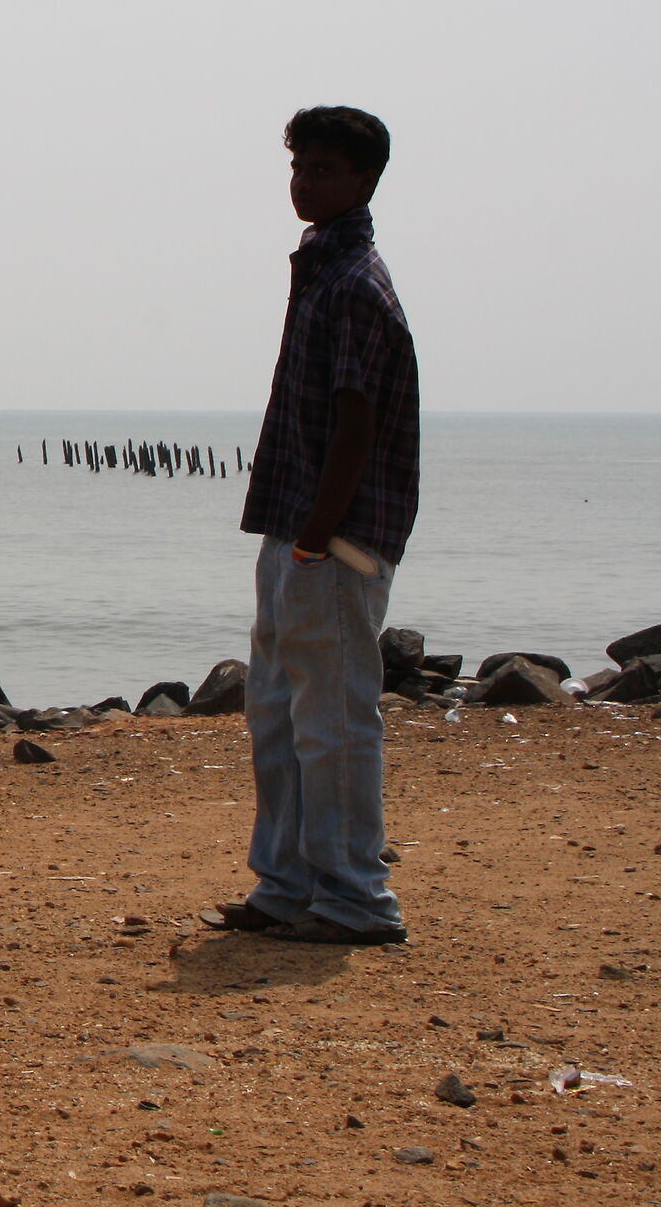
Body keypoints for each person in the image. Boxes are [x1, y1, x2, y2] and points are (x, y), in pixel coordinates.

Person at [205, 106, 419, 946]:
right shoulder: (322, 272)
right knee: (278, 712)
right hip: (296, 524)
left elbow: (357, 422)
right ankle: (288, 884)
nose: (306, 183)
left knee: (332, 717)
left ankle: (355, 898)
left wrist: (316, 534)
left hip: (334, 536)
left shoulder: (357, 285)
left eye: (325, 170)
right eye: (300, 168)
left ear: (364, 181)